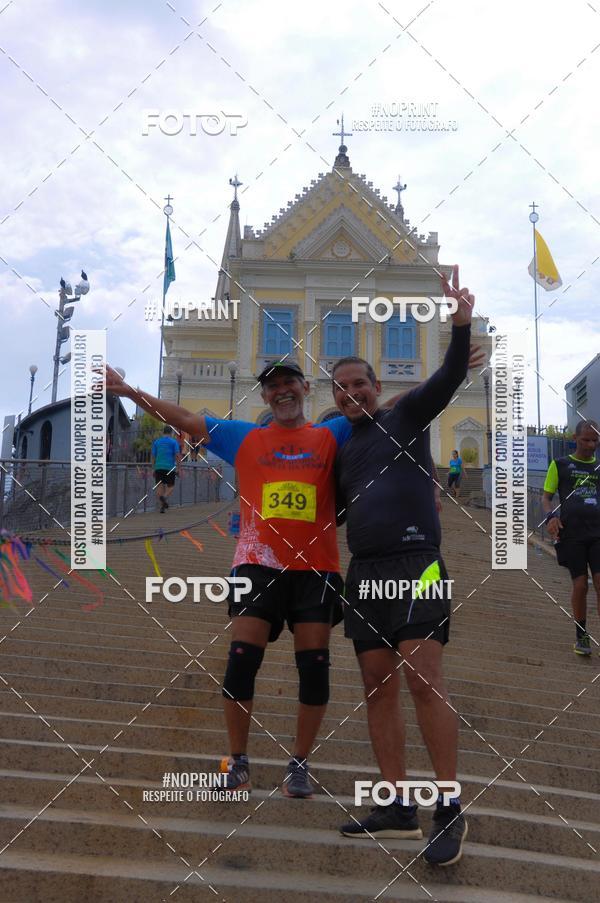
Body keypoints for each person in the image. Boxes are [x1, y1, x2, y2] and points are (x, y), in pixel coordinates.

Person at [105, 360, 352, 799]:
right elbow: (183, 417)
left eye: (289, 383)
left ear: (305, 388)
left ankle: (299, 763)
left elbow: (394, 415)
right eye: (273, 387)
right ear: (265, 396)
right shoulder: (244, 436)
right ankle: (238, 762)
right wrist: (128, 391)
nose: (282, 391)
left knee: (314, 667)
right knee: (241, 658)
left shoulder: (331, 434)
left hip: (315, 569)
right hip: (257, 563)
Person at [333, 264, 473, 867]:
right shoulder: (343, 450)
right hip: (364, 573)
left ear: (376, 385)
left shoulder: (406, 416)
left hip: (417, 565)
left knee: (423, 680)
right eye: (341, 388)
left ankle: (449, 806)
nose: (352, 393)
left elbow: (449, 376)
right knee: (376, 685)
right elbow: (329, 511)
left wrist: (460, 325)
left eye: (360, 384)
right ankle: (395, 803)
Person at [542, 420, 600, 656]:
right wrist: (551, 517)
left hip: (598, 533)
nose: (591, 445)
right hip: (572, 534)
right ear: (574, 439)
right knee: (580, 585)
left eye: (595, 440)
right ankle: (581, 635)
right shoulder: (560, 465)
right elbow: (546, 498)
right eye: (586, 440)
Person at [151, 426, 181, 513]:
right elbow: (177, 455)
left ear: (163, 432)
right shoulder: (174, 442)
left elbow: (153, 456)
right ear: (171, 433)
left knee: (160, 486)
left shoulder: (157, 442)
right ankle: (164, 497)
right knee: (171, 486)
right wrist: (179, 468)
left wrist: (153, 468)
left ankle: (162, 507)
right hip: (169, 467)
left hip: (158, 467)